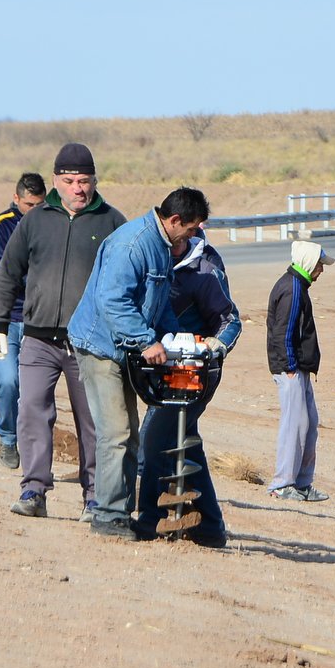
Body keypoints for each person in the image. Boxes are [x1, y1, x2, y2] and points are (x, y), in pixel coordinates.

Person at [0, 143, 127, 522]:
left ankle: (96, 497)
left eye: (84, 181)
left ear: (95, 180)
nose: (77, 188)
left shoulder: (113, 223)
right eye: (69, 181)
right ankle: (34, 490)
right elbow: (8, 274)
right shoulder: (35, 220)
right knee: (31, 411)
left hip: (90, 344)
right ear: (55, 181)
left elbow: (131, 280)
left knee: (94, 420)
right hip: (37, 338)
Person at [68, 187, 210, 540]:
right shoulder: (132, 244)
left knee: (129, 433)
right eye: (192, 229)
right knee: (117, 433)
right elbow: (112, 301)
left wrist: (179, 338)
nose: (194, 236)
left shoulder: (162, 247)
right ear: (175, 220)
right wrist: (146, 341)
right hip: (100, 347)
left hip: (122, 348)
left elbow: (157, 303)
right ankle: (107, 514)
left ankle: (121, 512)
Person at [135, 227, 240, 547]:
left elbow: (230, 320)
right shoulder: (156, 262)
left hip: (196, 372)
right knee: (185, 442)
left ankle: (150, 519)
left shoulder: (204, 270)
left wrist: (217, 345)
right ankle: (210, 526)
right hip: (163, 371)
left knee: (153, 442)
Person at [0, 172, 46, 469]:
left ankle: (34, 449)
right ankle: (7, 439)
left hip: (38, 319)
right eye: (29, 204)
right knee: (8, 381)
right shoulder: (2, 225)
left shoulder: (50, 222)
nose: (34, 210)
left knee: (35, 391)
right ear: (16, 197)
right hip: (7, 319)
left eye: (40, 204)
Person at [266, 240, 335, 503]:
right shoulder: (292, 289)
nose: (321, 270)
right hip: (291, 370)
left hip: (299, 369)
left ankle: (303, 484)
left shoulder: (298, 286)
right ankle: (282, 484)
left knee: (308, 425)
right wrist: (289, 367)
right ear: (308, 263)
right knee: (293, 426)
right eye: (319, 264)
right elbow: (282, 332)